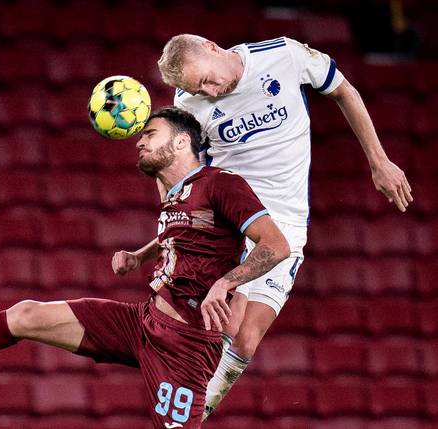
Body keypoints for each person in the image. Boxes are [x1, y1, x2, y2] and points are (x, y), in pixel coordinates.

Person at [0, 107, 290, 428]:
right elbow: (187, 236)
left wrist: (224, 284)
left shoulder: (222, 185)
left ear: (181, 142)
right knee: (26, 314)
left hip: (187, 346)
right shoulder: (176, 196)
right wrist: (142, 256)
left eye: (150, 133)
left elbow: (276, 244)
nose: (138, 141)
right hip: (143, 322)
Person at [117, 34, 413, 420]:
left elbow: (345, 92)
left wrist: (379, 161)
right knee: (230, 321)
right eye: (197, 89)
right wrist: (166, 229)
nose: (208, 91)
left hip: (287, 222)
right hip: (233, 220)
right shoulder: (188, 105)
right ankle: (184, 416)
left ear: (210, 46)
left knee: (246, 339)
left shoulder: (283, 56)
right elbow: (180, 178)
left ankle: (186, 410)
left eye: (206, 80)